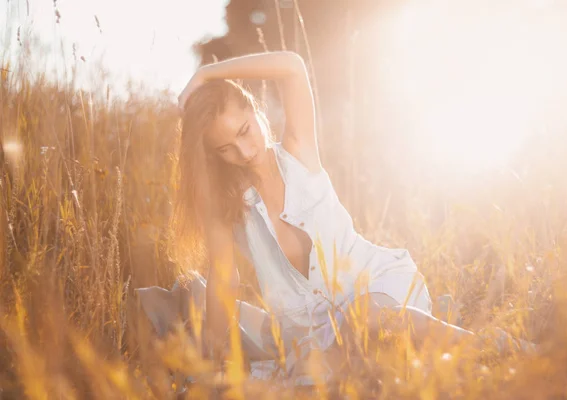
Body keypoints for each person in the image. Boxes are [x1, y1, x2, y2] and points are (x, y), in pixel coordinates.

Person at [135, 51, 533, 384]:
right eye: (225, 148)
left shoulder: (299, 151)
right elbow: (223, 284)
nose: (244, 150)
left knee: (370, 319)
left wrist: (210, 72)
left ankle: (492, 346)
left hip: (378, 291)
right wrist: (207, 364)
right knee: (329, 372)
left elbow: (292, 65)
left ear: (256, 111)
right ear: (213, 155)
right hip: (318, 336)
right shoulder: (226, 210)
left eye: (245, 130)